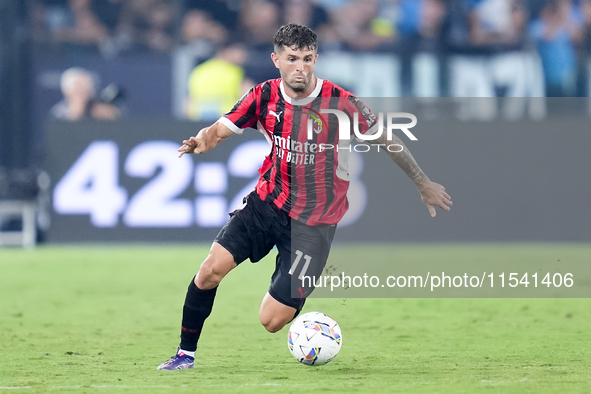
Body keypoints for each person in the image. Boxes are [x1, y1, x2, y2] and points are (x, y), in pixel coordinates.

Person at [157, 23, 452, 370]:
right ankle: (184, 355)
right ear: (277, 59)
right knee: (209, 271)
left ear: (316, 60)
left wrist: (422, 182)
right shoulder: (263, 96)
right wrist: (200, 140)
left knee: (271, 320)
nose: (301, 67)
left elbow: (387, 140)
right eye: (292, 58)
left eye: (308, 59)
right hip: (267, 204)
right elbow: (219, 130)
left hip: (314, 224)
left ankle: (305, 312)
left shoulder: (341, 102)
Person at [50, 67, 120, 121]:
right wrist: (77, 111)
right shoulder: (59, 112)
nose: (82, 95)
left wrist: (110, 115)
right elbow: (60, 132)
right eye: (78, 90)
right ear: (67, 93)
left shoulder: (99, 107)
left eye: (85, 90)